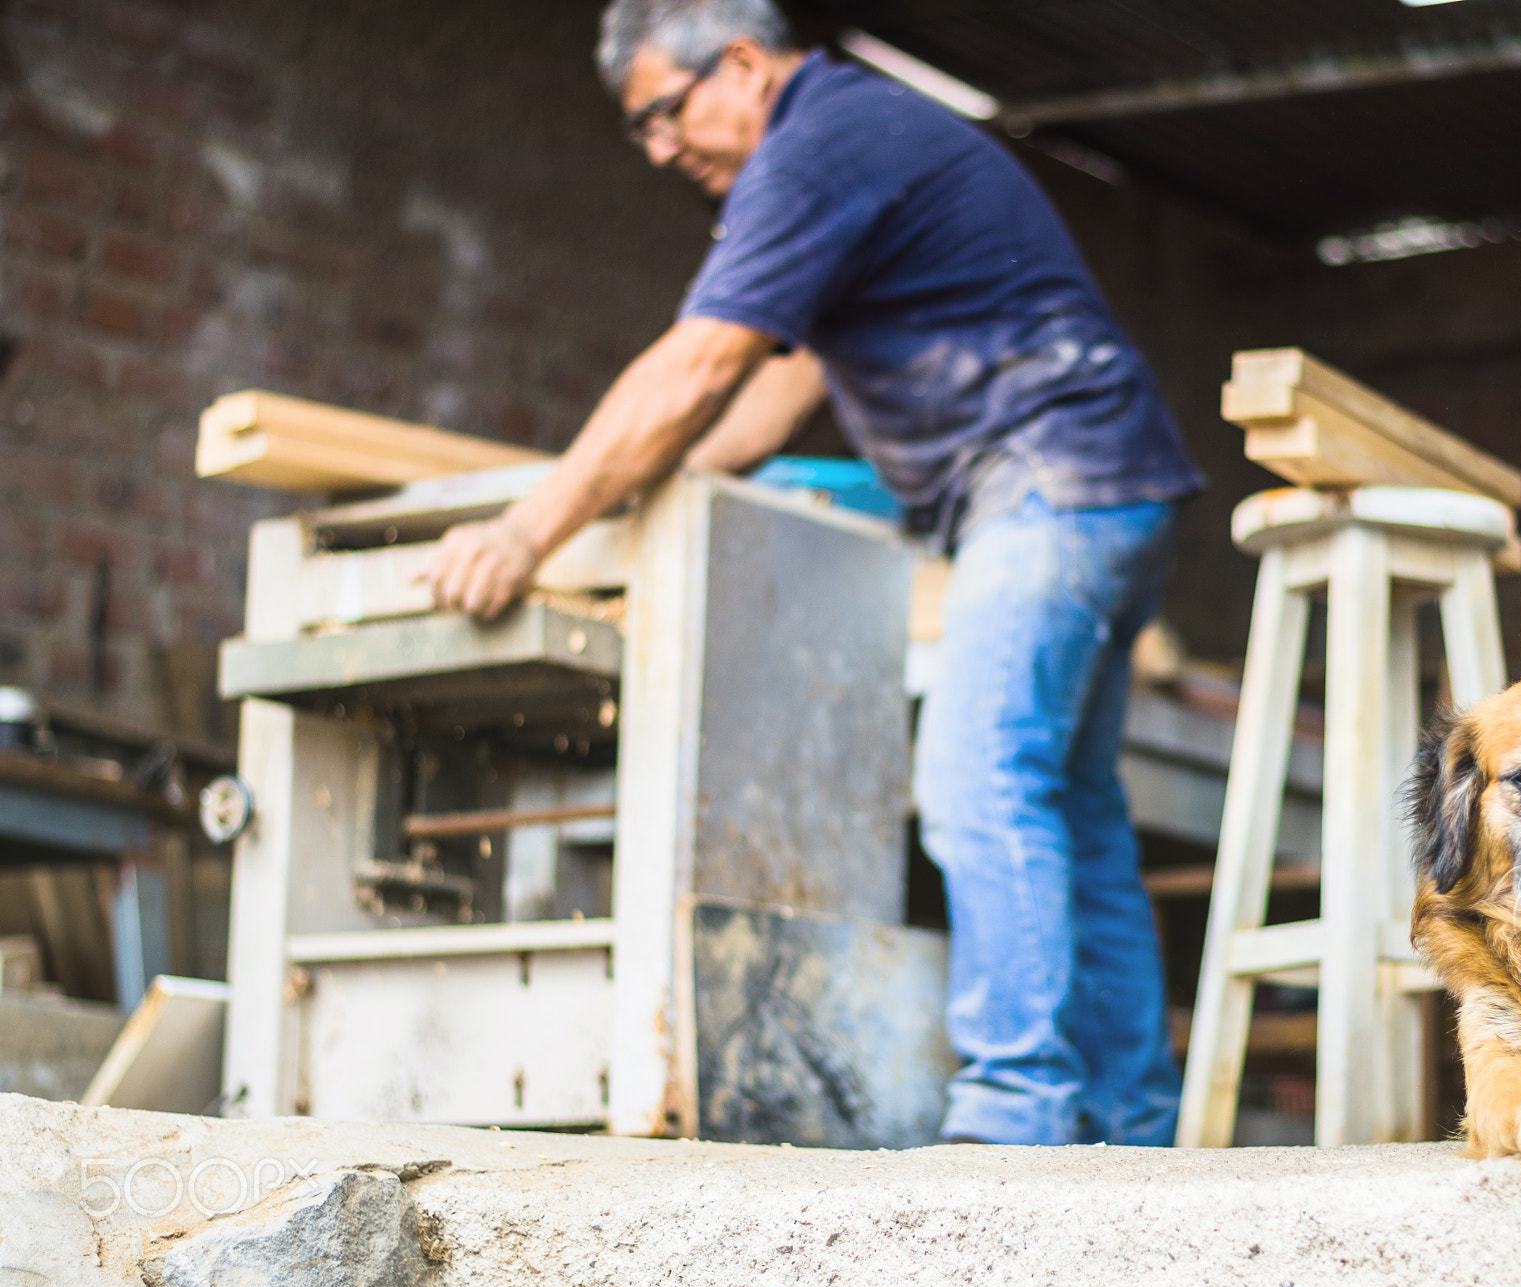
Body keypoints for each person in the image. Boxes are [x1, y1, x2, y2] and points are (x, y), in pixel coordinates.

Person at [425, 0, 1203, 1147]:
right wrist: (651, 492)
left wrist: (527, 533)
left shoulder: (814, 145)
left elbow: (698, 365)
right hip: (1107, 479)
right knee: (1073, 815)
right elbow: (772, 390)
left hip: (1048, 482)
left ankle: (1012, 1117)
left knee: (977, 780)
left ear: (740, 64)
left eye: (662, 113)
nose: (654, 148)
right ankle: (1130, 1123)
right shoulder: (849, 145)